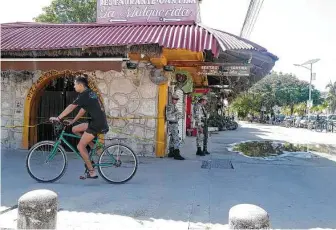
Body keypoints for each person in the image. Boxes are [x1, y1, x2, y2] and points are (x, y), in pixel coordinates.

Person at [49, 75, 109, 179]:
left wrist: (58, 118)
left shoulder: (84, 95)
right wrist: (73, 121)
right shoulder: (90, 93)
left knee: (80, 146)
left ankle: (91, 172)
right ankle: (92, 146)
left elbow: (72, 107)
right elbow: (83, 110)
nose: (74, 87)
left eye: (75, 84)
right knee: (74, 129)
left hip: (96, 124)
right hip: (97, 121)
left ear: (81, 85)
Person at [166, 93, 185, 160]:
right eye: (175, 99)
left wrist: (179, 115)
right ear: (172, 99)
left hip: (175, 123)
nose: (176, 101)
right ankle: (177, 154)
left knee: (172, 139)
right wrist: (176, 113)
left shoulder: (174, 106)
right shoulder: (170, 106)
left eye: (177, 99)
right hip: (172, 124)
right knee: (176, 139)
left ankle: (171, 152)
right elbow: (168, 117)